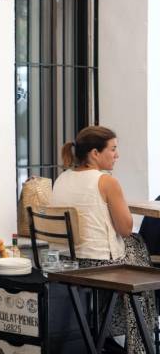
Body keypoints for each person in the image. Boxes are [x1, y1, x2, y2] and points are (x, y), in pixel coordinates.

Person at [51, 125, 156, 353]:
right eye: (113, 149)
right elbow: (126, 228)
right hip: (97, 264)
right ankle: (140, 342)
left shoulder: (61, 179)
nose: (117, 155)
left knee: (134, 248)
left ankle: (112, 335)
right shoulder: (106, 182)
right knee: (137, 248)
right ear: (95, 153)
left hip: (66, 262)